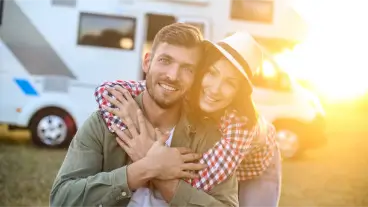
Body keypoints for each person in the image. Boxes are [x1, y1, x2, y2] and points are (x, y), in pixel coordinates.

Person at [50, 23, 239, 207]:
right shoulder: (103, 123)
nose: (173, 75)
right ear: (147, 62)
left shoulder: (210, 139)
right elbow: (62, 199)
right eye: (165, 61)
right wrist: (147, 167)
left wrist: (167, 182)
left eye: (187, 68)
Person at [95, 32, 282, 206]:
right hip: (220, 155)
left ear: (238, 93)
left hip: (257, 169)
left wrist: (148, 154)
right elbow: (107, 90)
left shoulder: (241, 124)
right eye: (212, 73)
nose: (215, 88)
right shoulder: (187, 87)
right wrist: (142, 133)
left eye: (230, 83)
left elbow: (197, 183)